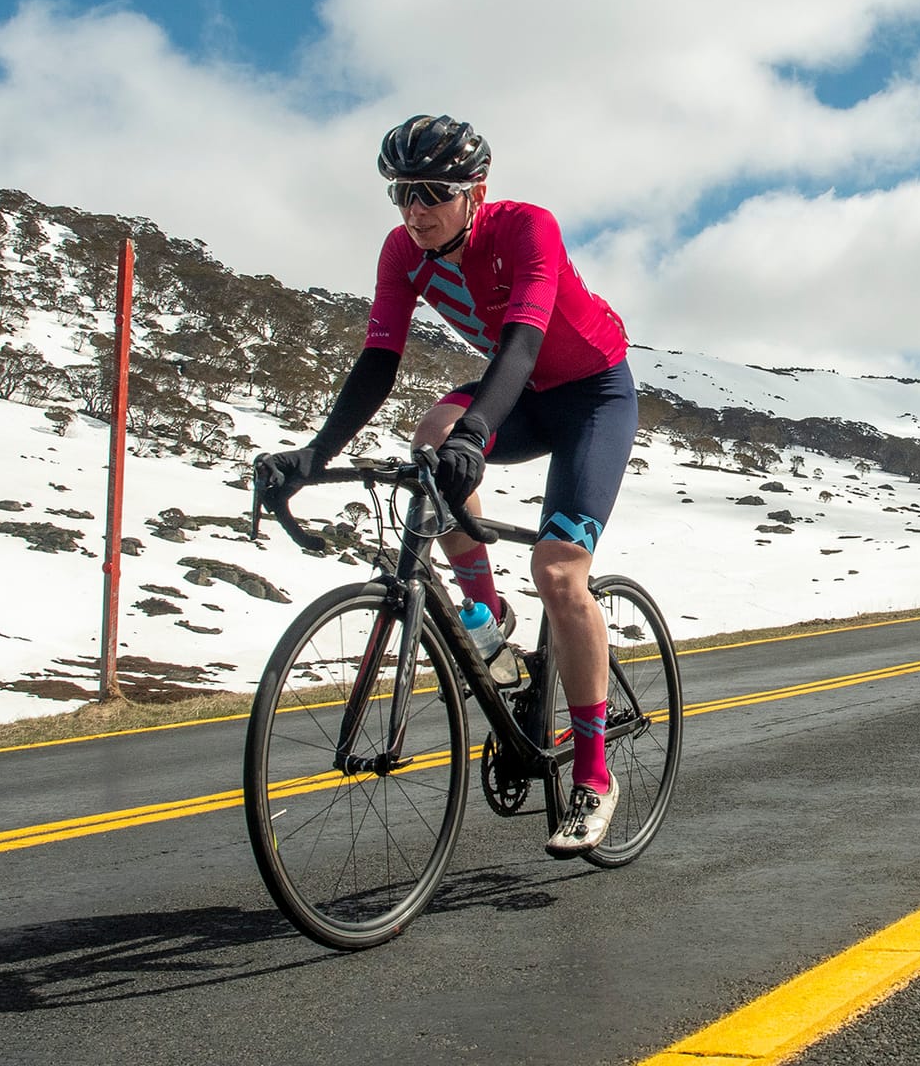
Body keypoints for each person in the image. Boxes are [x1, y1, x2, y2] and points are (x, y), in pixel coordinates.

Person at [257, 114, 638, 857]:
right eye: (402, 192)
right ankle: (486, 618)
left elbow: (524, 342)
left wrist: (476, 434)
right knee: (428, 438)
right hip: (519, 395)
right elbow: (378, 361)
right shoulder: (403, 252)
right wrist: (312, 453)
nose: (414, 209)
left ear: (476, 194)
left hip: (591, 395)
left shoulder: (528, 229)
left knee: (560, 574)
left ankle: (594, 775)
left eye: (433, 191)